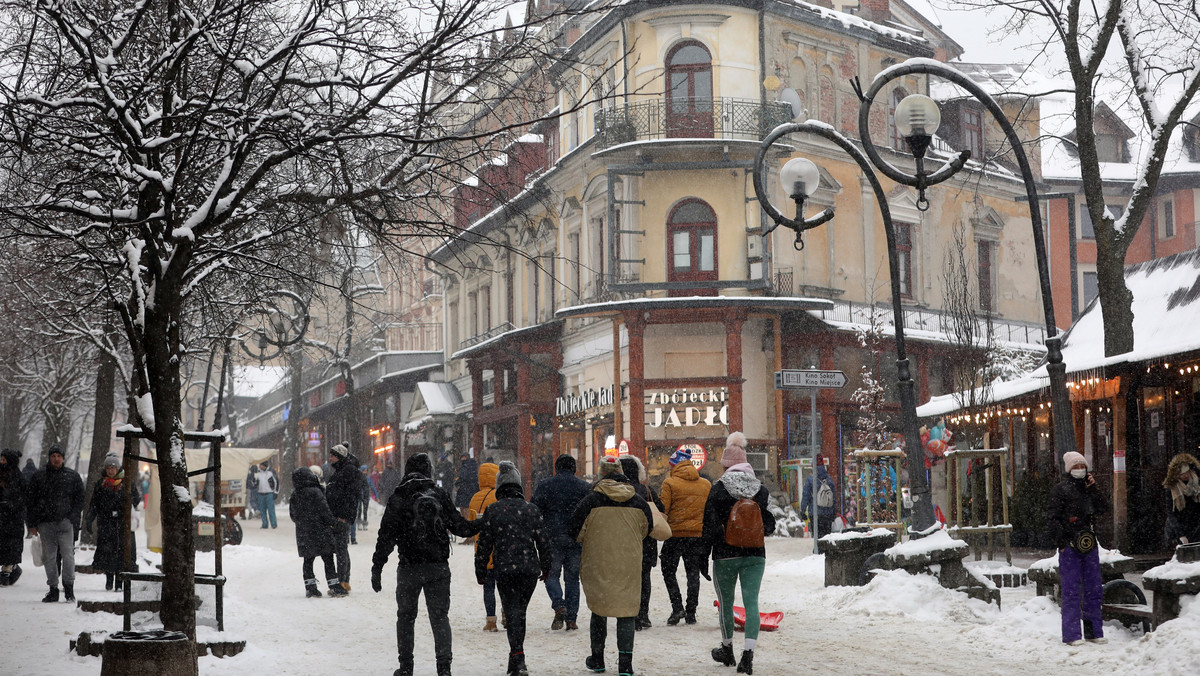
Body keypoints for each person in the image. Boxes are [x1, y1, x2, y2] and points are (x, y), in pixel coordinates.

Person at [371, 452, 481, 676]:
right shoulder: (438, 495)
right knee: (439, 617)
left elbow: (386, 537)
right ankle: (444, 668)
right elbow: (461, 528)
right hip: (437, 566)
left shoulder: (399, 496)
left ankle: (406, 667)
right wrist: (484, 522)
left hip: (409, 566)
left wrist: (377, 567)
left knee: (405, 617)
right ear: (428, 470)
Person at [569, 455, 653, 676]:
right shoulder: (637, 500)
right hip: (629, 562)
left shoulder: (591, 500)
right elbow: (647, 529)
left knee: (600, 609)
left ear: (601, 474)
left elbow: (574, 531)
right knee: (627, 611)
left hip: (599, 561)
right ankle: (625, 663)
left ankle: (597, 658)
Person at [703, 431, 776, 675]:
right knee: (751, 602)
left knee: (726, 603)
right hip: (755, 555)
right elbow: (770, 525)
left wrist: (703, 557)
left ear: (726, 465)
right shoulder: (761, 490)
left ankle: (727, 649)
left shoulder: (718, 490)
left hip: (725, 555)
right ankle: (749, 654)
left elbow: (709, 528)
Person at [475, 461, 550, 676]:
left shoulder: (493, 510)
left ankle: (518, 658)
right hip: (528, 570)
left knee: (512, 611)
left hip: (504, 569)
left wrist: (481, 571)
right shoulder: (532, 510)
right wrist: (546, 567)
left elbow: (484, 545)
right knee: (520, 613)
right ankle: (515, 657)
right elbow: (543, 542)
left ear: (499, 487)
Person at [1048, 450, 1108, 646]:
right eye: (1076, 467)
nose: (1080, 470)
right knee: (1071, 591)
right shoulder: (1060, 490)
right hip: (1070, 546)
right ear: (1068, 469)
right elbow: (1053, 518)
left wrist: (1094, 489)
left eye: (1082, 466)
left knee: (1093, 589)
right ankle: (1072, 634)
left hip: (1089, 544)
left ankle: (1093, 632)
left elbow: (1103, 508)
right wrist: (1062, 543)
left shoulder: (1089, 488)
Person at [531, 454, 590, 631]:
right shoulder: (584, 487)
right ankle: (572, 618)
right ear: (574, 468)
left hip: (552, 537)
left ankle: (559, 604)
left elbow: (534, 509)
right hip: (575, 538)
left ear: (556, 468)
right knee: (572, 579)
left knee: (551, 574)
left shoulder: (545, 485)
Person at [659, 446, 711, 626]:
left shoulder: (669, 483)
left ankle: (677, 607)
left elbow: (663, 510)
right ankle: (691, 612)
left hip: (674, 535)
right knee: (693, 574)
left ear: (674, 465)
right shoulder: (705, 484)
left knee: (668, 571)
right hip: (696, 535)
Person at [25, 445, 85, 602]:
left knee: (68, 555)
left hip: (65, 523)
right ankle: (53, 588)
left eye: (59, 456)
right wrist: (32, 524)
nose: (56, 459)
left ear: (63, 458)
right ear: (49, 458)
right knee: (49, 557)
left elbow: (79, 500)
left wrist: (73, 518)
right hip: (46, 524)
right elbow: (30, 501)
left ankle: (69, 588)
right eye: (53, 456)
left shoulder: (72, 476)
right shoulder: (39, 477)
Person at [84, 453, 140, 591]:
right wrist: (89, 519)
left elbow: (136, 498)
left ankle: (119, 582)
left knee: (121, 554)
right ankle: (109, 581)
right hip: (106, 524)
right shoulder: (101, 484)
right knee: (107, 554)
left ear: (118, 468)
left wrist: (127, 504)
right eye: (108, 467)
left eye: (113, 467)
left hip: (122, 525)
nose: (110, 470)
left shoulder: (126, 483)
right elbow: (94, 504)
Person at [619, 454, 662, 630]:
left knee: (628, 579)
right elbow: (661, 510)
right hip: (646, 541)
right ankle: (643, 614)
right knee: (644, 578)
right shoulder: (647, 491)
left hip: (625, 541)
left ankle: (631, 613)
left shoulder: (619, 491)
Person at [289, 466, 344, 598]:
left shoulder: (295, 495)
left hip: (304, 532)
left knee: (308, 560)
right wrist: (335, 523)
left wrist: (303, 522)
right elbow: (325, 511)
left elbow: (293, 515)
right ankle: (334, 586)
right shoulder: (316, 492)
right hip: (321, 531)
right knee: (328, 559)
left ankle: (310, 588)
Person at [326, 444, 365, 592]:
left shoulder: (348, 472)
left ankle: (343, 581)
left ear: (339, 456)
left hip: (341, 517)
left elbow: (352, 497)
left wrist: (344, 516)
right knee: (340, 548)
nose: (330, 458)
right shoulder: (340, 471)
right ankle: (342, 580)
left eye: (332, 455)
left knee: (341, 549)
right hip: (336, 516)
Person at [468, 461, 501, 631]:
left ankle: (491, 620)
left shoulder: (474, 498)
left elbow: (472, 523)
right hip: (501, 548)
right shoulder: (499, 496)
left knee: (488, 587)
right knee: (504, 586)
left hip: (483, 548)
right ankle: (507, 615)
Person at [0, 449, 26, 586]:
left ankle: (7, 570)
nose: (1, 462)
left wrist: (12, 505)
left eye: (4, 459)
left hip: (13, 519)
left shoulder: (19, 478)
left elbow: (23, 498)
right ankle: (9, 569)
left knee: (11, 546)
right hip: (4, 518)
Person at [1164, 452, 1200, 546]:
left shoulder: (1197, 483)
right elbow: (1171, 513)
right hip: (1179, 527)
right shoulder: (1172, 488)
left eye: (1186, 472)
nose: (1185, 475)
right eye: (1181, 474)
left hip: (1196, 525)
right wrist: (1180, 534)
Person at [800, 455, 837, 539]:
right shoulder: (830, 480)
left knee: (817, 537)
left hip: (815, 514)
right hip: (828, 514)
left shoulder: (810, 480)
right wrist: (834, 511)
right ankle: (827, 550)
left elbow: (806, 496)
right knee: (827, 537)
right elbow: (834, 497)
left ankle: (818, 550)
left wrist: (803, 511)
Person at [252, 461, 278, 529]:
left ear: (265, 466)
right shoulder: (258, 473)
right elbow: (254, 484)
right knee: (262, 510)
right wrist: (254, 479)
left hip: (269, 493)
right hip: (260, 493)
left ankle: (274, 524)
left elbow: (276, 482)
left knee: (271, 510)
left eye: (261, 465)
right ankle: (265, 524)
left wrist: (276, 492)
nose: (260, 466)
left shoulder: (271, 472)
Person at [454, 454, 479, 521]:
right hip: (471, 490)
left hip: (465, 491)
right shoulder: (473, 466)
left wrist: (457, 483)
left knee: (465, 509)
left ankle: (467, 523)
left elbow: (463, 477)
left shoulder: (465, 467)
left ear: (465, 457)